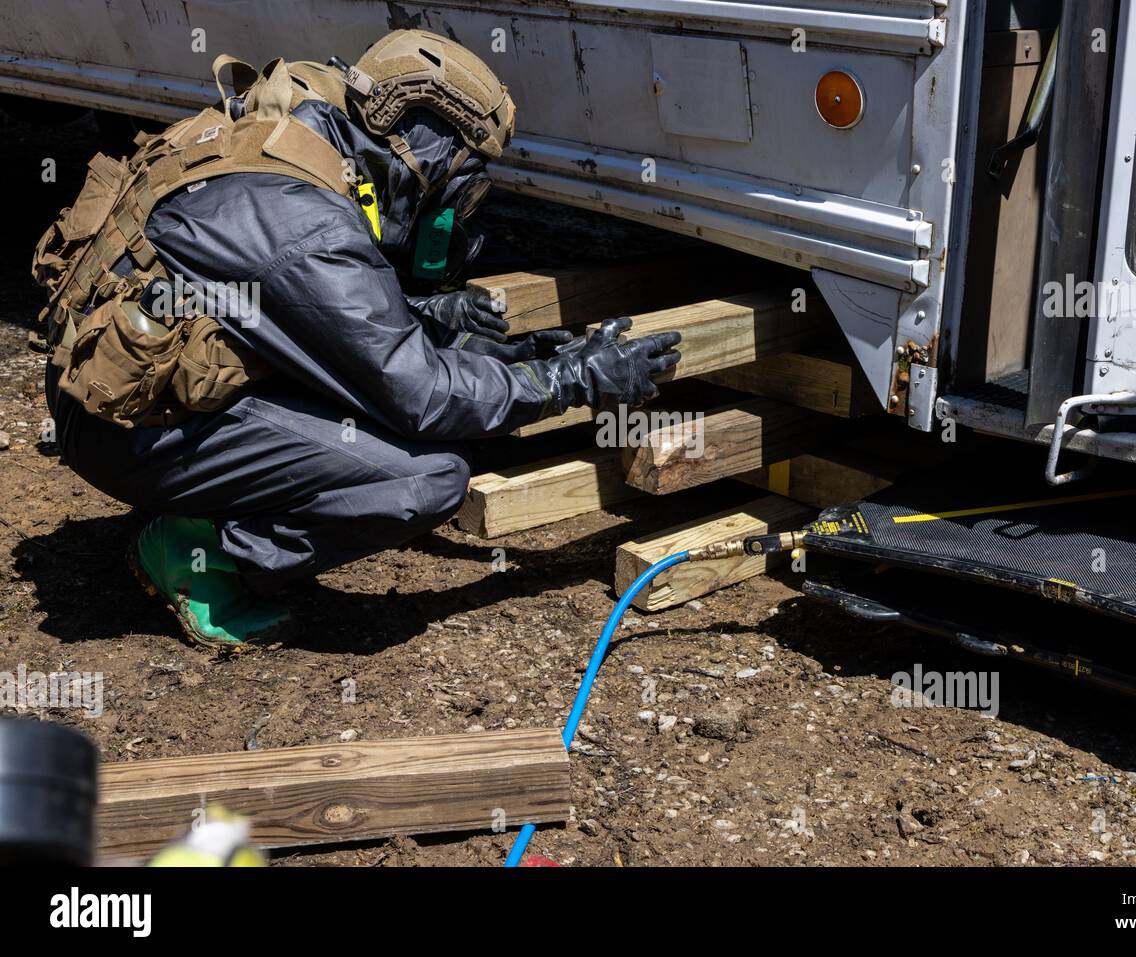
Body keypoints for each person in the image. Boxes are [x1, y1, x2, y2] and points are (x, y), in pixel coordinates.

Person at [35, 30, 681, 649]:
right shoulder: (306, 223)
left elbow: (308, 312)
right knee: (427, 476)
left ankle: (201, 505)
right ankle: (197, 546)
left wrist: (435, 314)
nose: (456, 210)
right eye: (461, 182)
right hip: (120, 417)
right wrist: (571, 381)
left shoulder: (304, 134)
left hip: (125, 374)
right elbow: (418, 394)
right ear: (421, 152)